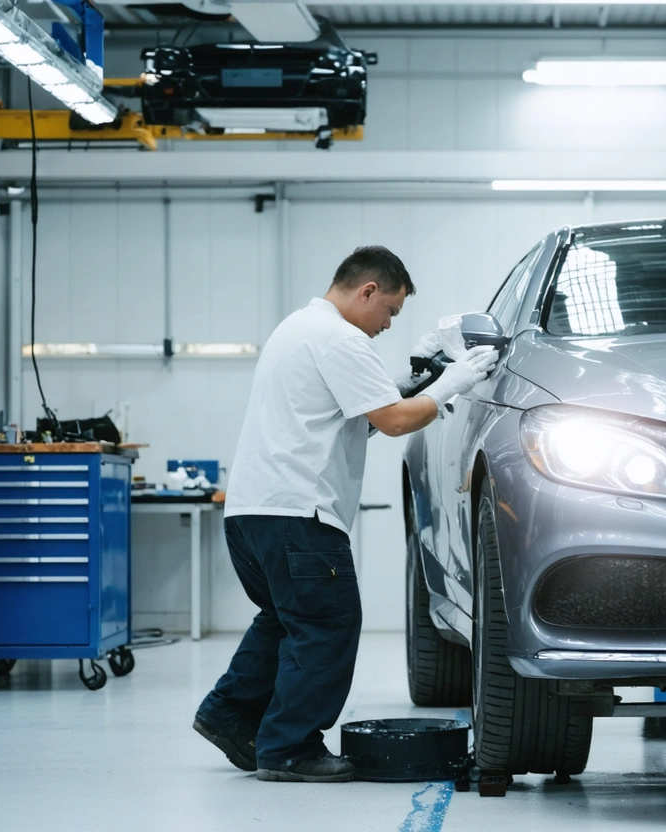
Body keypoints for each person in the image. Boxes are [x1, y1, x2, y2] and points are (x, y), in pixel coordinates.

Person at [192, 245, 498, 782]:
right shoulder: (341, 339)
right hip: (299, 514)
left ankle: (229, 715)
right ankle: (290, 748)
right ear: (368, 291)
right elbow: (396, 421)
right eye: (390, 313)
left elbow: (361, 416)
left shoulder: (300, 328)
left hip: (252, 514)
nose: (387, 326)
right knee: (327, 624)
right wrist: (453, 384)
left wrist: (417, 380)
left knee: (286, 619)